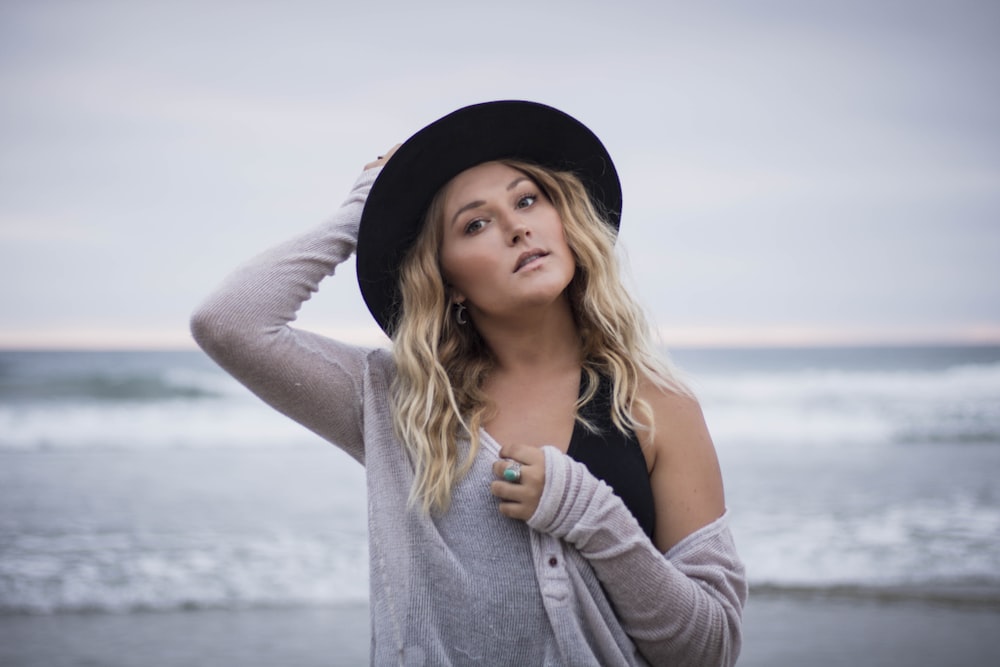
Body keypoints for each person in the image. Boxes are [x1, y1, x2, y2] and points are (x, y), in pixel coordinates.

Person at [191, 100, 746, 666]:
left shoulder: (655, 405)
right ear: (446, 279)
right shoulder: (398, 405)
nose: (515, 226)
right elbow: (229, 322)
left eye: (527, 199)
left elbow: (709, 650)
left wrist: (590, 516)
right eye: (475, 224)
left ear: (564, 218)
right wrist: (361, 210)